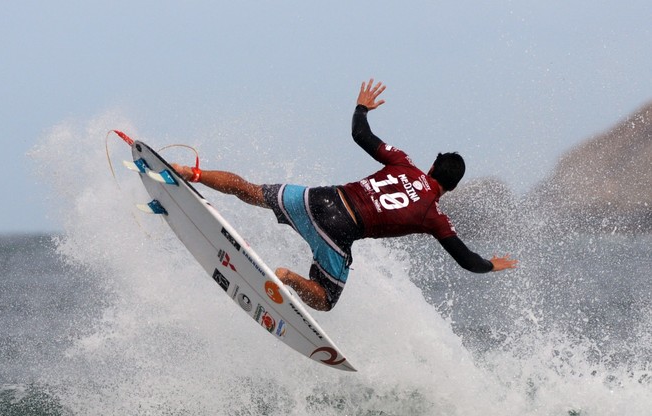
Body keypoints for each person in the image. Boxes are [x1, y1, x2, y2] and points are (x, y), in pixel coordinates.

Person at [172, 79, 518, 311]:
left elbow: (360, 134)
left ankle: (191, 173)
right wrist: (491, 265)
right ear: (452, 187)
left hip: (318, 198)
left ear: (430, 169)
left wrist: (361, 107)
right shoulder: (434, 216)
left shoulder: (405, 164)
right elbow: (467, 260)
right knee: (324, 300)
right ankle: (289, 278)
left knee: (250, 191)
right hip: (338, 230)